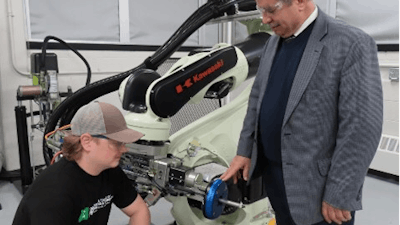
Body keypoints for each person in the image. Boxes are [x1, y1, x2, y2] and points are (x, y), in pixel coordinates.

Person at [220, 0, 383, 225]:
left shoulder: (350, 43)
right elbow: (257, 101)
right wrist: (244, 152)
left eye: (271, 10)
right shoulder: (272, 44)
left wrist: (340, 193)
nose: (264, 19)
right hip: (276, 180)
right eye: (261, 10)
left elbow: (363, 127)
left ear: (299, 2)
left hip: (319, 188)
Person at [12, 102, 151, 225]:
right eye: (117, 143)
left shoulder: (109, 171)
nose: (124, 149)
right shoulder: (54, 194)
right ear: (87, 142)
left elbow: (139, 210)